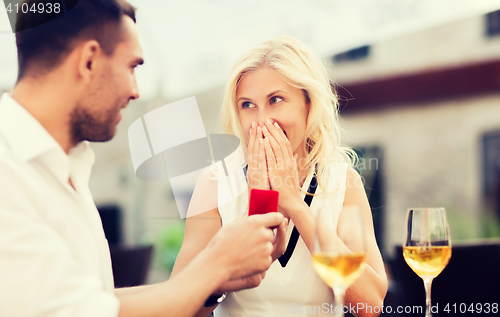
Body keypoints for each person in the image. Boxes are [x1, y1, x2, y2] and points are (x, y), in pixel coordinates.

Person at [0, 1, 288, 316]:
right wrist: (215, 264)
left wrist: (217, 273)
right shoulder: (8, 174)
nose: (136, 90)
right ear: (89, 61)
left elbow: (95, 303)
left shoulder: (64, 166)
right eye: (132, 66)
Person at [172, 36, 388, 317]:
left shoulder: (343, 182)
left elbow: (369, 305)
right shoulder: (214, 184)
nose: (261, 121)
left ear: (308, 104)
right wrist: (258, 207)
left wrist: (294, 204)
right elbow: (179, 308)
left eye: (276, 100)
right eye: (247, 105)